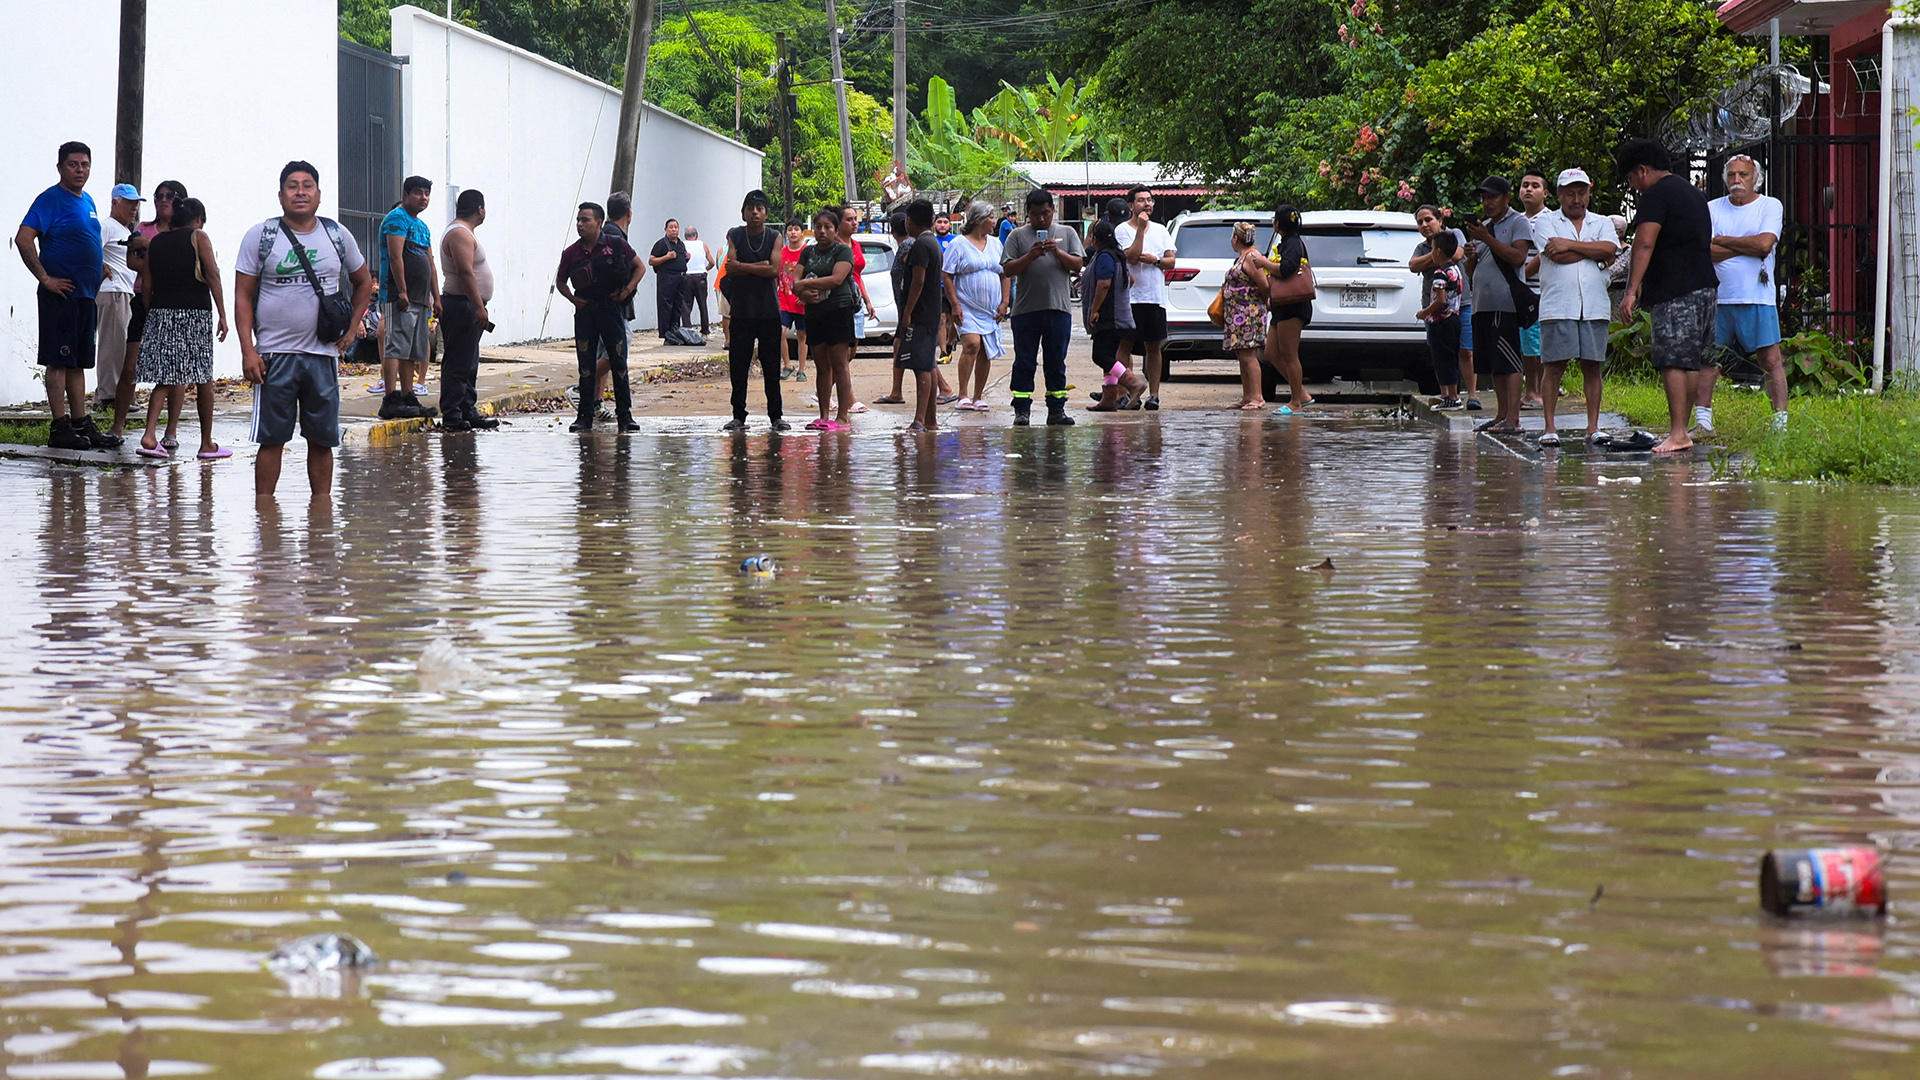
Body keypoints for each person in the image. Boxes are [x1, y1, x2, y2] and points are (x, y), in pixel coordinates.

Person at [235, 160, 375, 499]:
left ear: (319, 194)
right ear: (281, 195)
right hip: (274, 356)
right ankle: (265, 519)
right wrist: (248, 350)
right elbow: (242, 294)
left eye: (307, 185)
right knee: (272, 440)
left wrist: (353, 327)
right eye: (293, 186)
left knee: (322, 439)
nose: (300, 192)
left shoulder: (337, 235)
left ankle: (321, 518)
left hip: (322, 355)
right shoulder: (262, 236)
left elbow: (364, 282)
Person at [1616, 137, 1718, 453]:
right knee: (1693, 360)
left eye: (1631, 179)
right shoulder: (1694, 194)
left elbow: (1644, 243)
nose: (1634, 187)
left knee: (1673, 359)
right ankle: (1682, 429)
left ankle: (1677, 432)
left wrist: (1630, 291)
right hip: (1705, 286)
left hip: (1676, 290)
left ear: (1642, 171)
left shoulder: (1655, 196)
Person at [17, 142, 115, 451]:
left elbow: (83, 240)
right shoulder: (50, 200)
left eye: (85, 164)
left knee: (78, 363)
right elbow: (23, 238)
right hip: (60, 295)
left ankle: (80, 423)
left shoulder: (87, 201)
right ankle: (59, 427)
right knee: (58, 361)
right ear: (60, 167)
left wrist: (98, 264)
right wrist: (45, 278)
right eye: (73, 164)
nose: (80, 170)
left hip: (85, 295)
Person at [1702, 154, 1790, 434]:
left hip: (1757, 296)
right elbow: (1705, 251)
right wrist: (1746, 246)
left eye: (1743, 175)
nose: (1737, 181)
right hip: (1719, 297)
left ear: (1756, 179)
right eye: (1732, 175)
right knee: (1706, 360)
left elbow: (1765, 245)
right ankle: (1703, 421)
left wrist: (1725, 241)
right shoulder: (1712, 208)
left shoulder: (1769, 205)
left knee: (1770, 360)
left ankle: (1780, 424)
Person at [1530, 168, 1618, 445]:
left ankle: (1593, 427)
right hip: (1558, 305)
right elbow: (1556, 256)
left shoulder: (1602, 222)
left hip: (1594, 305)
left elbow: (1611, 250)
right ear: (1558, 195)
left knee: (1592, 366)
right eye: (1570, 193)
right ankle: (1549, 428)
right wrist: (1594, 252)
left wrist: (1570, 245)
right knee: (1553, 367)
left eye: (1582, 192)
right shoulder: (1545, 222)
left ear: (1589, 193)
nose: (1576, 199)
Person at [136, 197, 229, 460]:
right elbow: (212, 274)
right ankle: (206, 443)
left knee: (164, 379)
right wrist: (222, 314)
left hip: (161, 313)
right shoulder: (199, 237)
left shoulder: (156, 243)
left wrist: (150, 313)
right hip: (194, 315)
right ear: (198, 219)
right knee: (202, 379)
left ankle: (150, 435)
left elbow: (147, 284)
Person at [107, 179, 186, 440]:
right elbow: (132, 261)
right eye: (159, 195)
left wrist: (152, 252)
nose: (163, 200)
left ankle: (171, 431)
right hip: (143, 299)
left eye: (170, 195)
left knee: (174, 369)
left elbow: (188, 264)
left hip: (175, 302)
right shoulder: (143, 228)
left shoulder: (187, 232)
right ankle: (117, 427)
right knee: (131, 365)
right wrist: (166, 261)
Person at [556, 202, 645, 433]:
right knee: (586, 366)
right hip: (586, 312)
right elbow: (560, 281)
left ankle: (625, 416)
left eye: (585, 220)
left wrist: (626, 291)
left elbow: (640, 268)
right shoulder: (571, 252)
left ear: (598, 222)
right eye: (578, 220)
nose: (580, 224)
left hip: (611, 310)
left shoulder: (615, 245)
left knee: (619, 363)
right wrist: (573, 300)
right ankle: (584, 417)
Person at [1001, 189, 1085, 426]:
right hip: (1025, 311)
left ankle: (1056, 409)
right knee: (1024, 361)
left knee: (1056, 361)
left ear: (1053, 211)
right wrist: (1031, 255)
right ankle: (1022, 409)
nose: (1041, 219)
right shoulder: (1017, 236)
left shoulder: (1066, 233)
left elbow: (1078, 264)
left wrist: (1057, 251)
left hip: (1058, 309)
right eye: (1035, 214)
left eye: (1046, 213)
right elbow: (1008, 270)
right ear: (1027, 213)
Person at [1462, 175, 1533, 434]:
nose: (1487, 202)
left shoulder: (1518, 222)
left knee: (1509, 361)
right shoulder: (1484, 227)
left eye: (1492, 196)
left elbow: (1518, 257)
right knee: (1493, 363)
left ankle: (1513, 419)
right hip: (1482, 303)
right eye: (1484, 197)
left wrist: (1487, 238)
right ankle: (1501, 415)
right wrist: (1471, 255)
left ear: (1506, 197)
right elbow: (1472, 270)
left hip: (1506, 304)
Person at [720, 190, 786, 433]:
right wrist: (761, 266)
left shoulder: (775, 236)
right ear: (743, 212)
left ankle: (776, 416)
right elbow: (730, 268)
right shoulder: (735, 234)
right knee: (738, 367)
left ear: (766, 213)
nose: (755, 213)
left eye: (759, 209)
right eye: (750, 208)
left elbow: (774, 270)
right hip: (741, 311)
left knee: (772, 367)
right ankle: (738, 415)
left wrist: (745, 266)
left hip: (768, 311)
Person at [376, 176, 439, 419]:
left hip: (421, 298)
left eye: (426, 193)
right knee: (396, 346)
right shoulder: (396, 219)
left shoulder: (422, 227)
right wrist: (402, 290)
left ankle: (407, 396)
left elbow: (430, 263)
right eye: (418, 193)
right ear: (405, 194)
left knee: (413, 349)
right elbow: (395, 257)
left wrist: (436, 296)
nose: (423, 198)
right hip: (398, 296)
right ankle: (390, 398)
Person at [793, 206, 859, 431]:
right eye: (818, 227)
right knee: (821, 365)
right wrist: (802, 291)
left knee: (839, 365)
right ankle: (823, 415)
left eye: (827, 227)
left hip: (839, 311)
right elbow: (795, 282)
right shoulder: (807, 252)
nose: (822, 231)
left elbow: (836, 279)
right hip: (814, 313)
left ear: (836, 229)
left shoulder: (843, 251)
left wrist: (805, 285)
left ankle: (842, 417)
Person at [1113, 185, 1177, 410]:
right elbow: (1130, 257)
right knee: (1125, 345)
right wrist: (1140, 230)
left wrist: (1155, 261)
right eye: (1141, 200)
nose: (1147, 204)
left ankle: (1154, 394)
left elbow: (1171, 261)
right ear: (1131, 205)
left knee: (1153, 346)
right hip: (1130, 299)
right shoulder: (1122, 230)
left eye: (1149, 200)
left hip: (1154, 297)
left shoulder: (1161, 230)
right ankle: (1124, 393)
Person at [943, 200, 1009, 412]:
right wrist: (955, 305)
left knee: (985, 351)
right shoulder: (958, 244)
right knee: (972, 344)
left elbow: (1005, 273)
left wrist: (1005, 302)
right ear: (979, 220)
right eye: (991, 217)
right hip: (967, 306)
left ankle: (978, 396)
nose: (994, 221)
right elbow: (947, 275)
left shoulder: (996, 244)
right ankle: (963, 394)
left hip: (991, 309)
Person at [439, 188, 496, 432]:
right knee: (458, 362)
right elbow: (465, 273)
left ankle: (466, 409)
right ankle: (452, 414)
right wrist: (478, 306)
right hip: (462, 305)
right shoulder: (460, 233)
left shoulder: (463, 231)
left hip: (468, 304)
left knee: (470, 361)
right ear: (479, 209)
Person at [1082, 219, 1148, 411]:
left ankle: (1133, 384)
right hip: (1119, 314)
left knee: (1101, 356)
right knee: (1109, 354)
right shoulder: (1117, 255)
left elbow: (1104, 283)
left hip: (1108, 316)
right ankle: (1109, 399)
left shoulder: (1104, 257)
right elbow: (1131, 279)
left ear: (1095, 238)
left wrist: (1095, 309)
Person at [1409, 204, 1469, 409]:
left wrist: (1424, 312)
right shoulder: (1451, 270)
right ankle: (1448, 396)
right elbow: (1413, 266)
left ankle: (1455, 397)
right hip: (1447, 317)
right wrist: (1437, 254)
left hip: (1443, 317)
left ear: (1440, 220)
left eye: (1429, 220)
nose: (1424, 225)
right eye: (1420, 222)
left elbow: (1441, 300)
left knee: (1450, 355)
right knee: (1443, 355)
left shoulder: (1441, 273)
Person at [898, 199, 948, 431]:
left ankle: (920, 419)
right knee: (928, 363)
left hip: (921, 313)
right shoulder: (933, 243)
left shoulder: (920, 245)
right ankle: (931, 419)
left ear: (910, 220)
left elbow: (918, 281)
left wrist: (907, 312)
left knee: (922, 366)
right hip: (932, 311)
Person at [94, 184, 143, 423]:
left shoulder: (124, 230)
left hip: (125, 291)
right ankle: (107, 395)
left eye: (135, 203)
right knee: (112, 344)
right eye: (128, 202)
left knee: (122, 344)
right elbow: (92, 248)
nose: (133, 207)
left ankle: (113, 393)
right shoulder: (106, 226)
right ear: (115, 202)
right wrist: (100, 267)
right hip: (113, 290)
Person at [1219, 221, 1275, 409]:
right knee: (1242, 355)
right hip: (1238, 314)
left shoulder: (1251, 257)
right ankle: (1247, 395)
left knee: (1249, 355)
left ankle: (1257, 397)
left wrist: (1263, 306)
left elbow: (1264, 285)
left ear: (1235, 238)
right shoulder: (1243, 257)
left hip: (1249, 313)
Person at [1265, 205, 1315, 414]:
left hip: (1293, 305)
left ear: (1278, 224)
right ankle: (1301, 393)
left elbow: (1287, 269)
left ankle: (1296, 402)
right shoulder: (1286, 242)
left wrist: (1263, 263)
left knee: (1289, 354)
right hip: (1281, 306)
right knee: (1271, 352)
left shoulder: (1293, 243)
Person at [1517, 168, 1551, 408]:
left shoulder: (1547, 219)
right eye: (1525, 185)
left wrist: (1520, 276)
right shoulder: (1518, 220)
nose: (1528, 189)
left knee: (1536, 343)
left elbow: (1543, 253)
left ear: (1545, 193)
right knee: (1527, 342)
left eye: (1534, 186)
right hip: (1521, 291)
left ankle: (1536, 392)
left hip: (1539, 290)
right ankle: (1532, 390)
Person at [777, 219, 810, 382]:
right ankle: (788, 365)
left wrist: (805, 295)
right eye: (790, 229)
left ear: (802, 233)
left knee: (802, 335)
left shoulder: (807, 252)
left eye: (796, 229)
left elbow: (812, 276)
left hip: (802, 302)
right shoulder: (781, 253)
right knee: (780, 331)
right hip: (784, 299)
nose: (793, 232)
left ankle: (802, 369)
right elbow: (778, 275)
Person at [650, 218, 691, 339]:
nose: (674, 230)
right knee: (665, 306)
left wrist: (687, 258)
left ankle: (675, 329)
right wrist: (667, 257)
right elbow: (652, 261)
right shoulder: (661, 244)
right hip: (667, 278)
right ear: (666, 229)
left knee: (678, 305)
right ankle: (665, 332)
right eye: (671, 227)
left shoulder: (681, 244)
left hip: (680, 277)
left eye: (676, 227)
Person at [684, 225, 713, 336]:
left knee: (686, 305)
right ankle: (705, 332)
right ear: (696, 235)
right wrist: (705, 269)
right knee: (702, 304)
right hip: (700, 277)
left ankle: (687, 330)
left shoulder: (683, 245)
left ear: (685, 236)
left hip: (687, 276)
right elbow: (712, 262)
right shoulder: (702, 244)